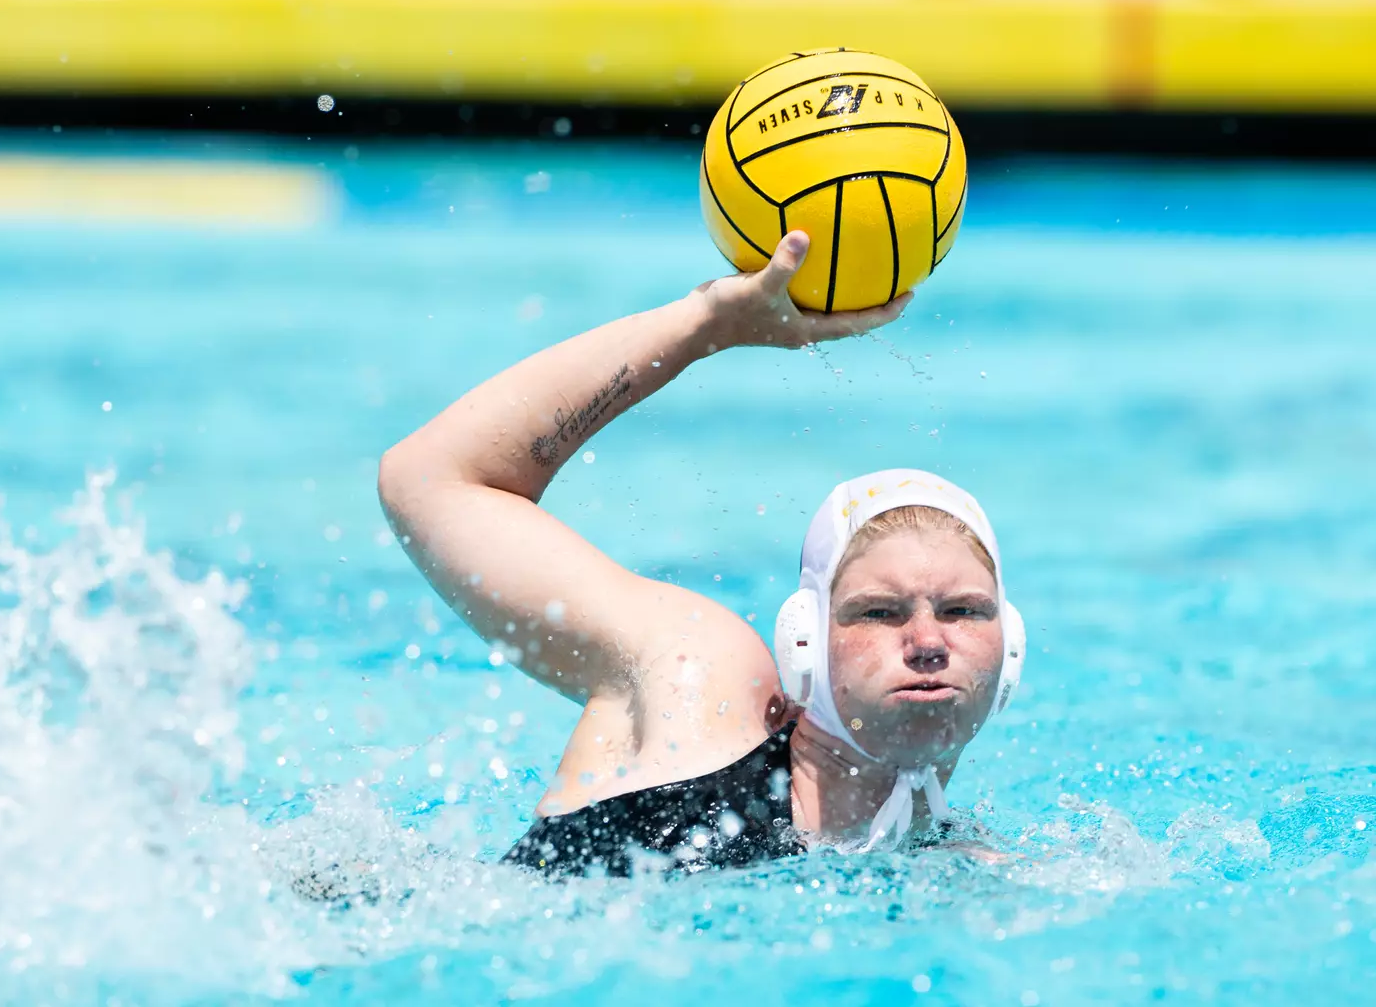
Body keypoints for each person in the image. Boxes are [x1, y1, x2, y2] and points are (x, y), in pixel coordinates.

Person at [378, 231, 1025, 877]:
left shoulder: (975, 872)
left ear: (1011, 656)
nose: (927, 642)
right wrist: (703, 326)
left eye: (964, 611)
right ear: (803, 645)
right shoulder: (699, 693)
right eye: (879, 612)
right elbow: (429, 478)